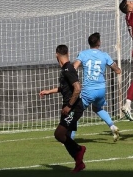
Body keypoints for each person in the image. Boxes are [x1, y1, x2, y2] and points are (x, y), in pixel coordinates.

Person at [38, 45, 87, 173]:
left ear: (56, 55)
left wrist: (69, 106)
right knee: (63, 135)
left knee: (59, 134)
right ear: (68, 53)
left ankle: (79, 150)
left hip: (73, 108)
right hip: (69, 107)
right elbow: (65, 87)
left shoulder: (68, 69)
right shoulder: (66, 69)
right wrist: (49, 91)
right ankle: (79, 163)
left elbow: (77, 88)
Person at [73, 32, 122, 142]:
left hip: (88, 90)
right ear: (99, 43)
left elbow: (74, 67)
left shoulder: (83, 54)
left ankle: (69, 139)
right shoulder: (104, 55)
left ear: (89, 43)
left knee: (76, 112)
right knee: (97, 108)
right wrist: (115, 70)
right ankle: (112, 126)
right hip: (101, 90)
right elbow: (117, 69)